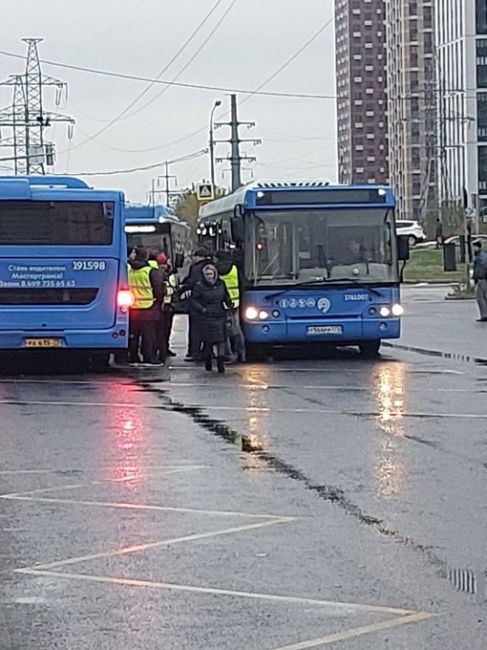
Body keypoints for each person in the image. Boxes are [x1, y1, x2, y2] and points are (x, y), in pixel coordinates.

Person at [191, 264, 232, 373]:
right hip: (207, 316)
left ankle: (220, 363)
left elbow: (226, 296)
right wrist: (203, 310)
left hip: (219, 315)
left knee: (221, 340)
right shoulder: (199, 286)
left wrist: (229, 303)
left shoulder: (221, 284)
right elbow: (194, 300)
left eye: (211, 274)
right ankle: (208, 360)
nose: (209, 276)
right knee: (208, 341)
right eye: (207, 274)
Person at [127, 246, 164, 365]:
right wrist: (157, 302)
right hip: (148, 307)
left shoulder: (129, 269)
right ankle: (148, 357)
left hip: (131, 307)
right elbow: (158, 289)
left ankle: (133, 356)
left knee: (133, 335)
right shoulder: (150, 271)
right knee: (148, 335)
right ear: (146, 256)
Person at [180, 247, 213, 361]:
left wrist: (182, 288)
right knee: (208, 328)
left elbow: (192, 282)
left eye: (195, 256)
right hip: (210, 302)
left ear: (199, 257)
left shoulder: (196, 268)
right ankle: (207, 352)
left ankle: (194, 352)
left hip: (197, 301)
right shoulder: (211, 266)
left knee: (195, 329)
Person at [216, 249, 246, 362]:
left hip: (220, 303)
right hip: (235, 303)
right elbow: (241, 285)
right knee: (237, 329)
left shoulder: (216, 269)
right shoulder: (235, 268)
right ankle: (241, 352)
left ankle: (228, 354)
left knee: (224, 331)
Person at [154, 252, 177, 362]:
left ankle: (164, 348)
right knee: (161, 330)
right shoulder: (157, 274)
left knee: (166, 329)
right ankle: (161, 350)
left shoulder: (169, 274)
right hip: (161, 305)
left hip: (168, 305)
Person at [473, 240, 487, 322]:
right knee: (484, 297)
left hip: (481, 279)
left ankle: (484, 314)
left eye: (474, 246)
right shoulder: (482, 255)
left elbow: (480, 268)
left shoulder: (480, 257)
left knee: (480, 297)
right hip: (483, 278)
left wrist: (477, 277)